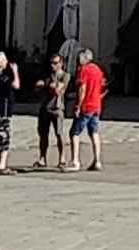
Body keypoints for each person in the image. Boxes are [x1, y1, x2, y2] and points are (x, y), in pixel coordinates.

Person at [69, 41, 110, 171]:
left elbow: (82, 88)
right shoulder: (98, 70)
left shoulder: (84, 70)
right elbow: (103, 86)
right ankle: (97, 160)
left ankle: (75, 161)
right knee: (94, 132)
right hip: (97, 106)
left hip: (86, 106)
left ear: (83, 59)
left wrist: (78, 106)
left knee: (74, 133)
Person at [36, 48, 75, 170]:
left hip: (57, 108)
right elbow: (38, 85)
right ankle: (42, 158)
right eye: (51, 63)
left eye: (56, 63)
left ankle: (62, 158)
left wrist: (48, 85)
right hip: (44, 107)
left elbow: (58, 90)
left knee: (59, 133)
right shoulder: (47, 75)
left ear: (61, 63)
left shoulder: (66, 75)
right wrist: (48, 85)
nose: (53, 65)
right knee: (43, 134)